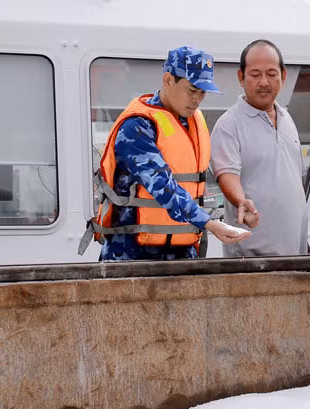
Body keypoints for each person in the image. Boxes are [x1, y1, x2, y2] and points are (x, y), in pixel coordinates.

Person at [82, 46, 250, 261]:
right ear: (168, 80)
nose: (197, 100)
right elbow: (162, 185)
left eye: (203, 93)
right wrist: (209, 223)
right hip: (132, 255)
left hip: (183, 252)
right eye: (192, 90)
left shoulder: (192, 122)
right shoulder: (137, 127)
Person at [210, 40, 307, 257]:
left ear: (283, 76)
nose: (264, 82)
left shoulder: (287, 117)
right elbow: (227, 176)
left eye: (271, 74)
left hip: (296, 253)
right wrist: (240, 200)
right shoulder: (229, 124)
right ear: (241, 77)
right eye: (255, 74)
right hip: (251, 256)